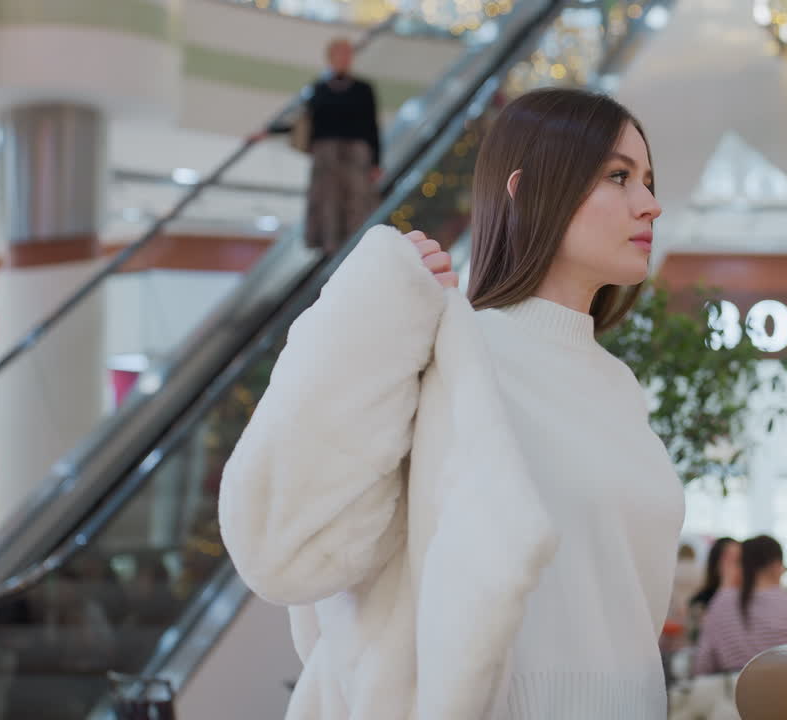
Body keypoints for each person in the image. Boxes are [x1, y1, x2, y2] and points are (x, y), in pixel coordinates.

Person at [219, 88, 681, 719]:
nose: (650, 205)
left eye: (648, 180)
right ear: (524, 188)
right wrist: (373, 303)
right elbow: (280, 546)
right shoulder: (446, 349)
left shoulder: (618, 387)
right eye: (618, 176)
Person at [279, 37, 382, 253]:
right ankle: (329, 247)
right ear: (330, 57)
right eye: (339, 54)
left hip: (356, 157)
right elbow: (302, 121)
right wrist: (268, 131)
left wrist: (376, 162)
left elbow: (372, 126)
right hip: (326, 158)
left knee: (357, 202)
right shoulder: (319, 89)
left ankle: (358, 247)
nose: (344, 59)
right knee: (328, 203)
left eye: (347, 54)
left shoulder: (363, 89)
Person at [692, 535, 787, 676]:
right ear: (777, 566)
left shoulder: (719, 605)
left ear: (742, 566)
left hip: (735, 695)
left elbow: (702, 666)